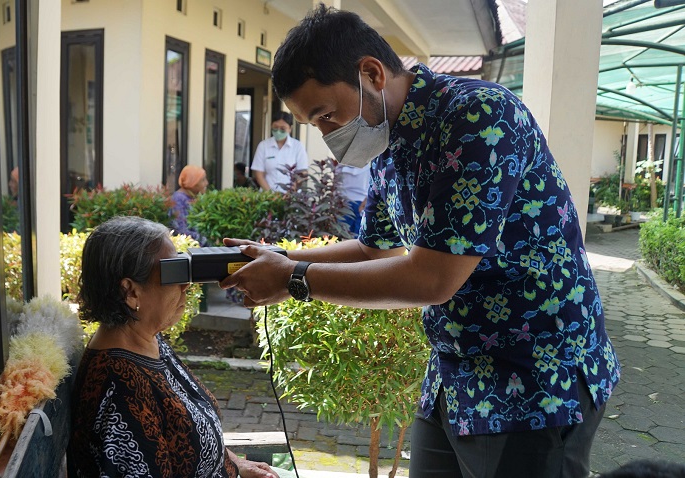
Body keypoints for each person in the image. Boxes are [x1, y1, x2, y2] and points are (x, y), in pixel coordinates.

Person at [220, 5, 620, 478]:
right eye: (316, 125)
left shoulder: (479, 116)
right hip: (455, 376)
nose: (327, 136)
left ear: (371, 73)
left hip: (535, 377)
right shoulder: (391, 144)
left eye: (327, 116)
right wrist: (280, 258)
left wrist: (293, 280)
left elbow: (433, 278)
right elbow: (374, 249)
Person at [67, 216, 285, 478]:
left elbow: (185, 433)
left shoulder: (146, 342)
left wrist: (236, 464)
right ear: (131, 292)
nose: (186, 285)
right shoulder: (121, 389)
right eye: (173, 271)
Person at [251, 112, 308, 193]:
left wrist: (291, 192)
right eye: (275, 127)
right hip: (267, 195)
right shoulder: (263, 145)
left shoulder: (298, 146)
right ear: (271, 126)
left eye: (282, 128)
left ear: (290, 128)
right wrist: (270, 194)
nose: (278, 131)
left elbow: (303, 172)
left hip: (291, 196)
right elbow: (259, 174)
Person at [169, 164, 208, 244]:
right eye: (203, 180)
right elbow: (181, 231)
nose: (206, 183)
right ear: (193, 182)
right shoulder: (178, 199)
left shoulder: (194, 197)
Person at [333, 159, 369, 235]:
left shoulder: (341, 164)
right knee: (348, 236)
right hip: (345, 203)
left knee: (354, 236)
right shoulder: (340, 165)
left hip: (358, 202)